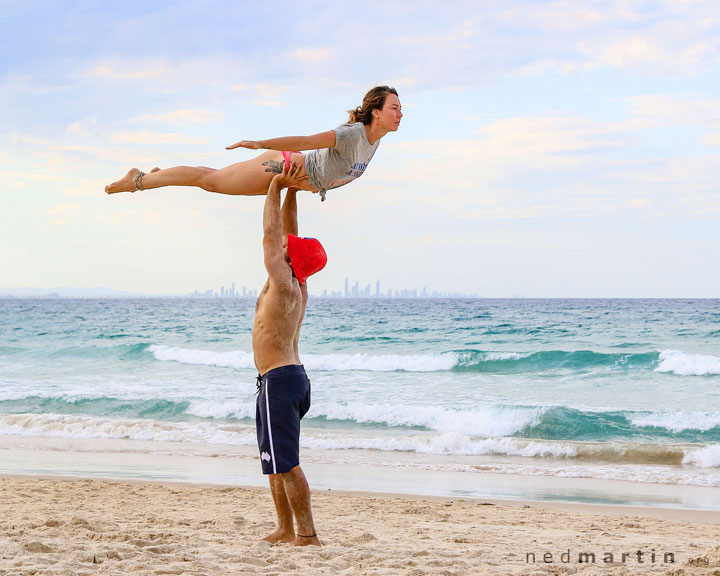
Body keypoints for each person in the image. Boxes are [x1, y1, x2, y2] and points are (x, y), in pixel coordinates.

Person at [105, 86, 402, 201]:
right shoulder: (353, 134)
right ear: (375, 112)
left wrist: (316, 187)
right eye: (394, 108)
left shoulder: (374, 142)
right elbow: (306, 140)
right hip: (282, 167)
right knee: (209, 181)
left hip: (293, 179)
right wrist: (259, 143)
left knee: (213, 177)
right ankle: (139, 179)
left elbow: (341, 174)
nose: (400, 114)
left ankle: (160, 174)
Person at [253, 162, 327, 546]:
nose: (284, 243)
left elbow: (270, 236)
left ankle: (308, 535)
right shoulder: (296, 279)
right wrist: (294, 194)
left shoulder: (283, 282)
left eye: (287, 247)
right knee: (274, 462)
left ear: (290, 258)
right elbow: (287, 233)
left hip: (280, 381)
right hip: (283, 379)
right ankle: (284, 528)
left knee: (287, 463)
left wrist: (275, 185)